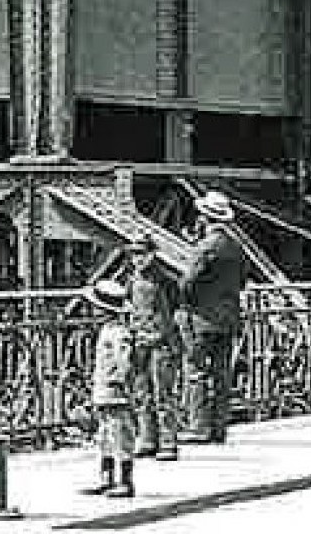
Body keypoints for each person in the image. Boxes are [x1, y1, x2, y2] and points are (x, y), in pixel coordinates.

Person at [180, 189, 247, 443]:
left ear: (204, 218)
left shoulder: (206, 246)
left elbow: (189, 281)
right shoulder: (235, 246)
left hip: (201, 317)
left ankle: (197, 426)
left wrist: (184, 301)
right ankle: (219, 428)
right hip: (228, 318)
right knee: (221, 374)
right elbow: (242, 280)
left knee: (196, 371)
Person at [125, 231, 182, 459]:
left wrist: (167, 336)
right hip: (139, 340)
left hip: (161, 342)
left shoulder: (165, 280)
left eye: (142, 254)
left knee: (163, 393)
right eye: (134, 255)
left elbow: (174, 309)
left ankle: (168, 441)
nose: (138, 259)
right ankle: (147, 438)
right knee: (142, 393)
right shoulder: (131, 280)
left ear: (152, 255)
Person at [83, 276, 137, 498]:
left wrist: (121, 381)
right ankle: (107, 477)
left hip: (114, 390)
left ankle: (125, 481)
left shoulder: (117, 332)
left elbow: (124, 360)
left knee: (119, 434)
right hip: (104, 389)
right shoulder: (109, 330)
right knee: (105, 434)